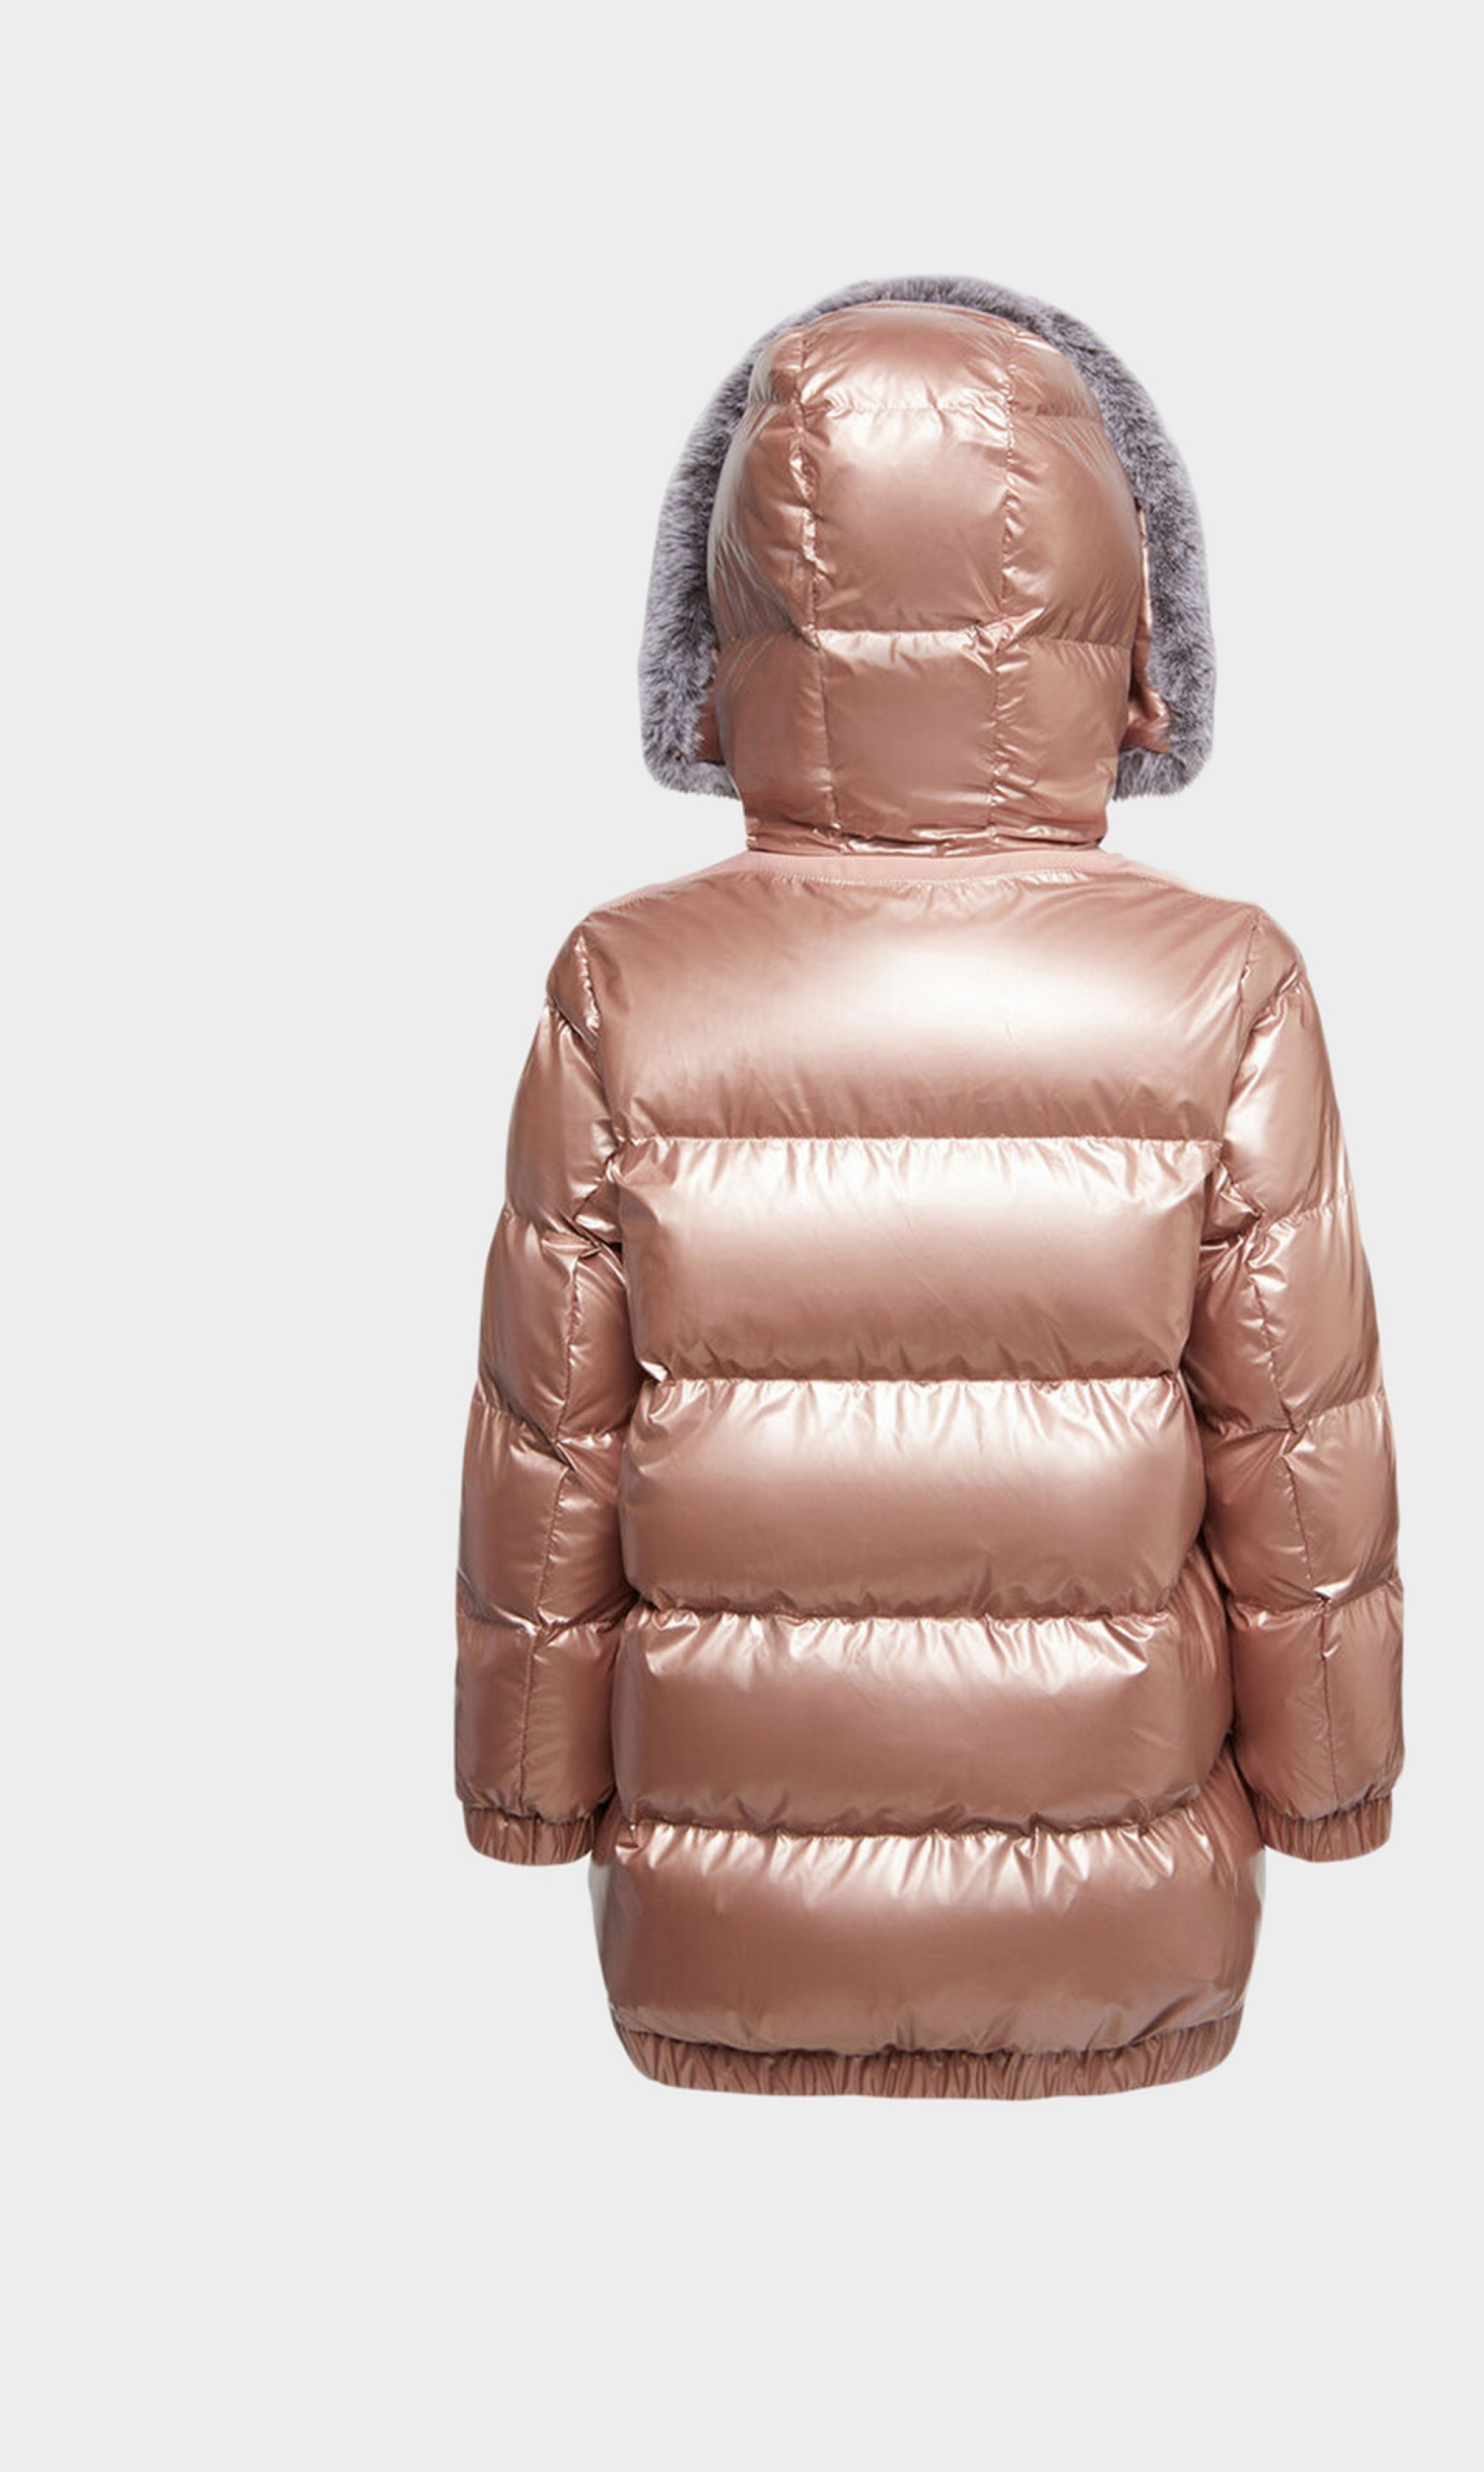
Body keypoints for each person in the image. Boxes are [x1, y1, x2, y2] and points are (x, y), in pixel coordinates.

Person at [454, 277, 1404, 2099]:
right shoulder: (1221, 983)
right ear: (1121, 624)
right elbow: (1296, 1442)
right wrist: (1330, 1781)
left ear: (724, 628)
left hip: (715, 1929)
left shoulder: (623, 982)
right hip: (1127, 1923)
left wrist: (524, 1788)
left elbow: (545, 1442)